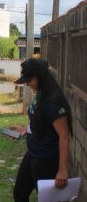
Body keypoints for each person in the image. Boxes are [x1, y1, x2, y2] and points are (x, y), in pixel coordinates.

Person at [12, 58, 72, 202]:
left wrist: (62, 170)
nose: (26, 83)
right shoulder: (40, 94)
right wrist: (26, 129)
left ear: (40, 77)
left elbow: (64, 135)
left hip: (46, 161)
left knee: (47, 199)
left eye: (29, 79)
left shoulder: (53, 102)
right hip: (32, 154)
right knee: (19, 194)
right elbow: (40, 121)